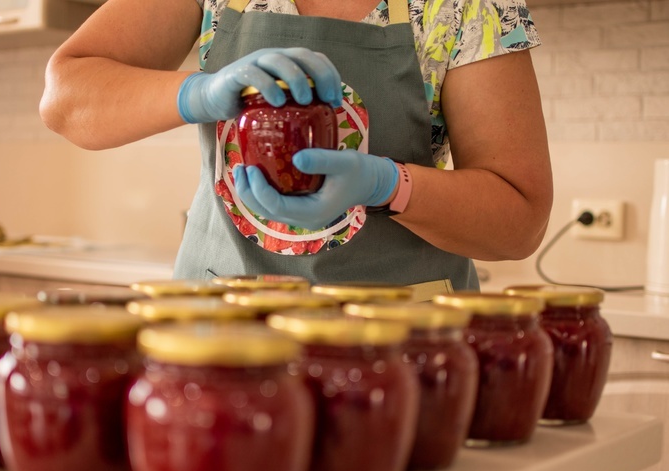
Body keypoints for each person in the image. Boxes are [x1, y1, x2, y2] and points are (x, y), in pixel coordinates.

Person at [39, 0, 553, 291]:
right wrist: (197, 92)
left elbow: (520, 219)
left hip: (399, 349)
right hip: (222, 337)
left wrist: (389, 185)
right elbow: (66, 97)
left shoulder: (470, 7)